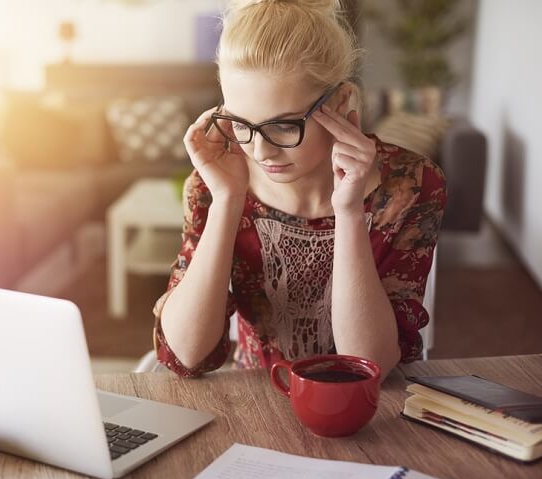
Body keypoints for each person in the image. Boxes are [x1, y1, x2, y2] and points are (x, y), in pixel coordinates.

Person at [152, 0, 446, 381]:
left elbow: (370, 363)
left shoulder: (411, 186)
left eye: (285, 126)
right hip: (258, 401)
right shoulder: (214, 184)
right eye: (241, 123)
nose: (261, 151)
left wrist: (350, 210)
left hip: (373, 413)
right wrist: (227, 200)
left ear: (340, 102)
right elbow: (186, 354)